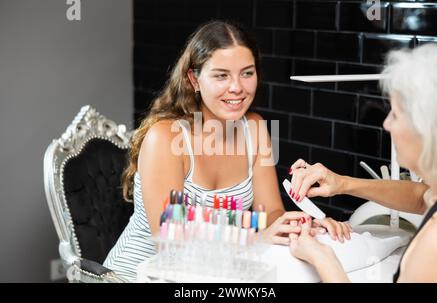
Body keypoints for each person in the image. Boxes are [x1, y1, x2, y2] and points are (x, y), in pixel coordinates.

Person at [103, 20, 351, 281]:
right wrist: (254, 238)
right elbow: (171, 243)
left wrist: (303, 225)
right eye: (221, 75)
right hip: (135, 275)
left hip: (213, 276)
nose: (237, 88)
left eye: (247, 73)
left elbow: (270, 214)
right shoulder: (164, 138)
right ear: (193, 79)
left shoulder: (255, 128)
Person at [288, 43, 437, 282]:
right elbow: (420, 196)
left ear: (427, 130)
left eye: (395, 113)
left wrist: (323, 258)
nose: (386, 124)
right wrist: (341, 183)